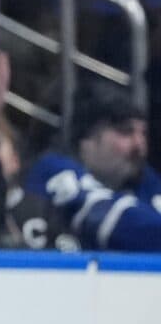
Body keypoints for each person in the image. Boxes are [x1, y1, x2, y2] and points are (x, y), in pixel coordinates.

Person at [22, 95, 161, 253]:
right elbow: (104, 214)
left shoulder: (145, 180)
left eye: (143, 134)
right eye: (126, 131)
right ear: (87, 141)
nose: (139, 143)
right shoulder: (52, 168)